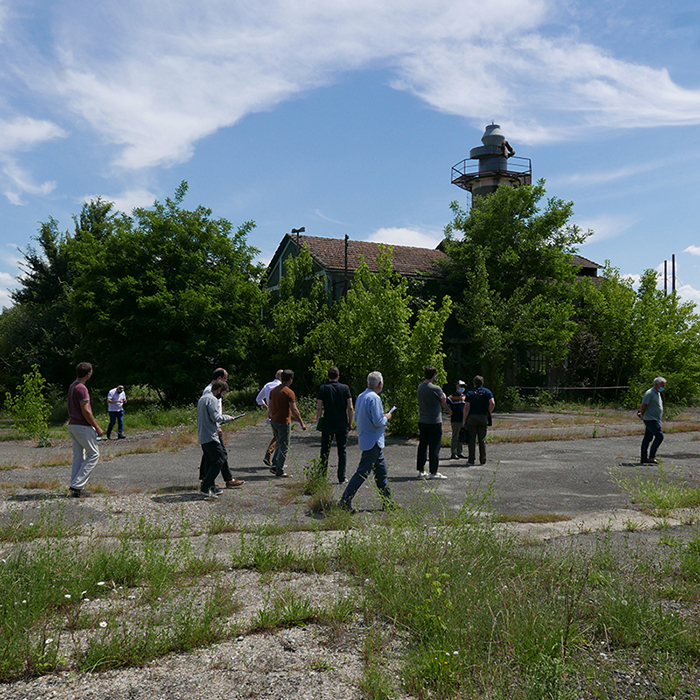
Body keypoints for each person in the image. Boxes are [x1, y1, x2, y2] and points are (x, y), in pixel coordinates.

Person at [339, 371, 395, 511]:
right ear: (380, 384)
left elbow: (359, 418)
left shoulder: (361, 396)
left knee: (381, 473)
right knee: (362, 473)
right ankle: (344, 501)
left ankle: (387, 502)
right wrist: (386, 417)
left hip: (367, 439)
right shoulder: (374, 398)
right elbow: (378, 421)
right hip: (374, 441)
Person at [197, 379, 245, 498]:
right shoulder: (212, 399)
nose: (222, 396)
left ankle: (212, 487)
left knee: (210, 461)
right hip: (210, 436)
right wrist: (227, 418)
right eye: (223, 393)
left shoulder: (202, 398)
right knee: (219, 460)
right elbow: (215, 417)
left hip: (203, 435)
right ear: (219, 390)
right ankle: (205, 487)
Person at [67, 362, 103, 497]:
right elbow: (86, 411)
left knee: (78, 456)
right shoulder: (82, 388)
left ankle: (75, 487)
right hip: (82, 426)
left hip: (72, 425)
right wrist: (97, 427)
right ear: (89, 374)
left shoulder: (72, 386)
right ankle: (76, 485)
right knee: (93, 454)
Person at [315, 366, 354, 483]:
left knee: (325, 450)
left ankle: (322, 475)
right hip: (342, 422)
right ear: (338, 376)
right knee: (342, 450)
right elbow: (350, 407)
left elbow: (319, 407)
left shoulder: (323, 388)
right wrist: (350, 422)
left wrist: (318, 422)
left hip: (328, 423)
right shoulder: (345, 388)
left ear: (328, 376)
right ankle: (341, 477)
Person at [268, 369, 306, 477]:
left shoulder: (273, 390)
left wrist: (271, 416)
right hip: (283, 421)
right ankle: (280, 470)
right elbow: (294, 409)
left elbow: (270, 406)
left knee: (279, 443)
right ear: (290, 379)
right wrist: (302, 423)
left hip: (274, 420)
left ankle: (275, 465)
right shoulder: (289, 392)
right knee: (284, 446)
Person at [416, 366, 450, 479]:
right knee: (434, 447)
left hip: (422, 420)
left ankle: (421, 470)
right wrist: (449, 410)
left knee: (422, 446)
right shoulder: (436, 388)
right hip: (434, 421)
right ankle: (433, 472)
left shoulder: (420, 387)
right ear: (434, 375)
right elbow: (443, 402)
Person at [462, 375, 495, 465]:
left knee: (471, 439)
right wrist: (488, 413)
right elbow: (492, 403)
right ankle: (483, 459)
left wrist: (464, 419)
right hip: (483, 416)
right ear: (482, 383)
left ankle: (471, 459)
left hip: (472, 417)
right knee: (482, 439)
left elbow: (466, 407)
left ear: (474, 384)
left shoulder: (470, 393)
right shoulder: (487, 392)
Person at [256, 369, 283, 466]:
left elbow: (258, 399)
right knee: (280, 436)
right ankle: (271, 457)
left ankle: (274, 458)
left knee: (277, 436)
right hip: (280, 413)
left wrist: (266, 407)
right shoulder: (281, 387)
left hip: (271, 413)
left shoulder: (268, 385)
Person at [638, 376, 666, 464]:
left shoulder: (657, 393)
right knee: (659, 436)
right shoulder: (650, 393)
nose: (663, 387)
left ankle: (643, 458)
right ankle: (652, 456)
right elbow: (644, 405)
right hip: (650, 419)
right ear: (656, 385)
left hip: (654, 419)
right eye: (662, 385)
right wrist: (641, 413)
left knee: (648, 438)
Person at [446, 380, 467, 459]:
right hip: (455, 420)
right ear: (456, 387)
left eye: (463, 386)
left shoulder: (465, 397)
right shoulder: (452, 397)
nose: (462, 388)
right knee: (455, 436)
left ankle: (460, 452)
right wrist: (449, 410)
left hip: (463, 420)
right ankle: (453, 452)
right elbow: (444, 403)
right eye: (461, 386)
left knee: (461, 437)